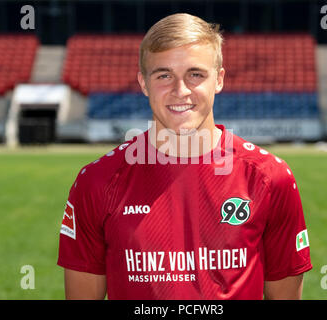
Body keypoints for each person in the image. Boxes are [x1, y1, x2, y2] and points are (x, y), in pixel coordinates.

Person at [57, 13, 312, 300]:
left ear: (219, 79)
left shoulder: (269, 177)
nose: (181, 91)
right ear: (143, 83)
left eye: (195, 74)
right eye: (164, 75)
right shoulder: (97, 181)